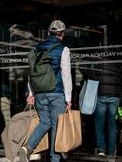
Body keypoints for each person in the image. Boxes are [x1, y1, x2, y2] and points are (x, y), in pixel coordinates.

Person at [20, 20, 73, 162]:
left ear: (50, 33)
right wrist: (68, 97)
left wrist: (31, 93)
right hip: (56, 93)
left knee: (45, 122)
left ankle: (28, 147)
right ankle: (54, 158)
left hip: (40, 93)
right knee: (56, 125)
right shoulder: (63, 49)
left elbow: (32, 72)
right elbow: (66, 74)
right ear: (61, 34)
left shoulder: (37, 48)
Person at [91, 62, 122, 157]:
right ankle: (111, 151)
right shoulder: (117, 62)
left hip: (101, 93)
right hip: (115, 94)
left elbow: (92, 75)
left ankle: (101, 149)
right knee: (112, 124)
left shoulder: (99, 62)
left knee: (99, 123)